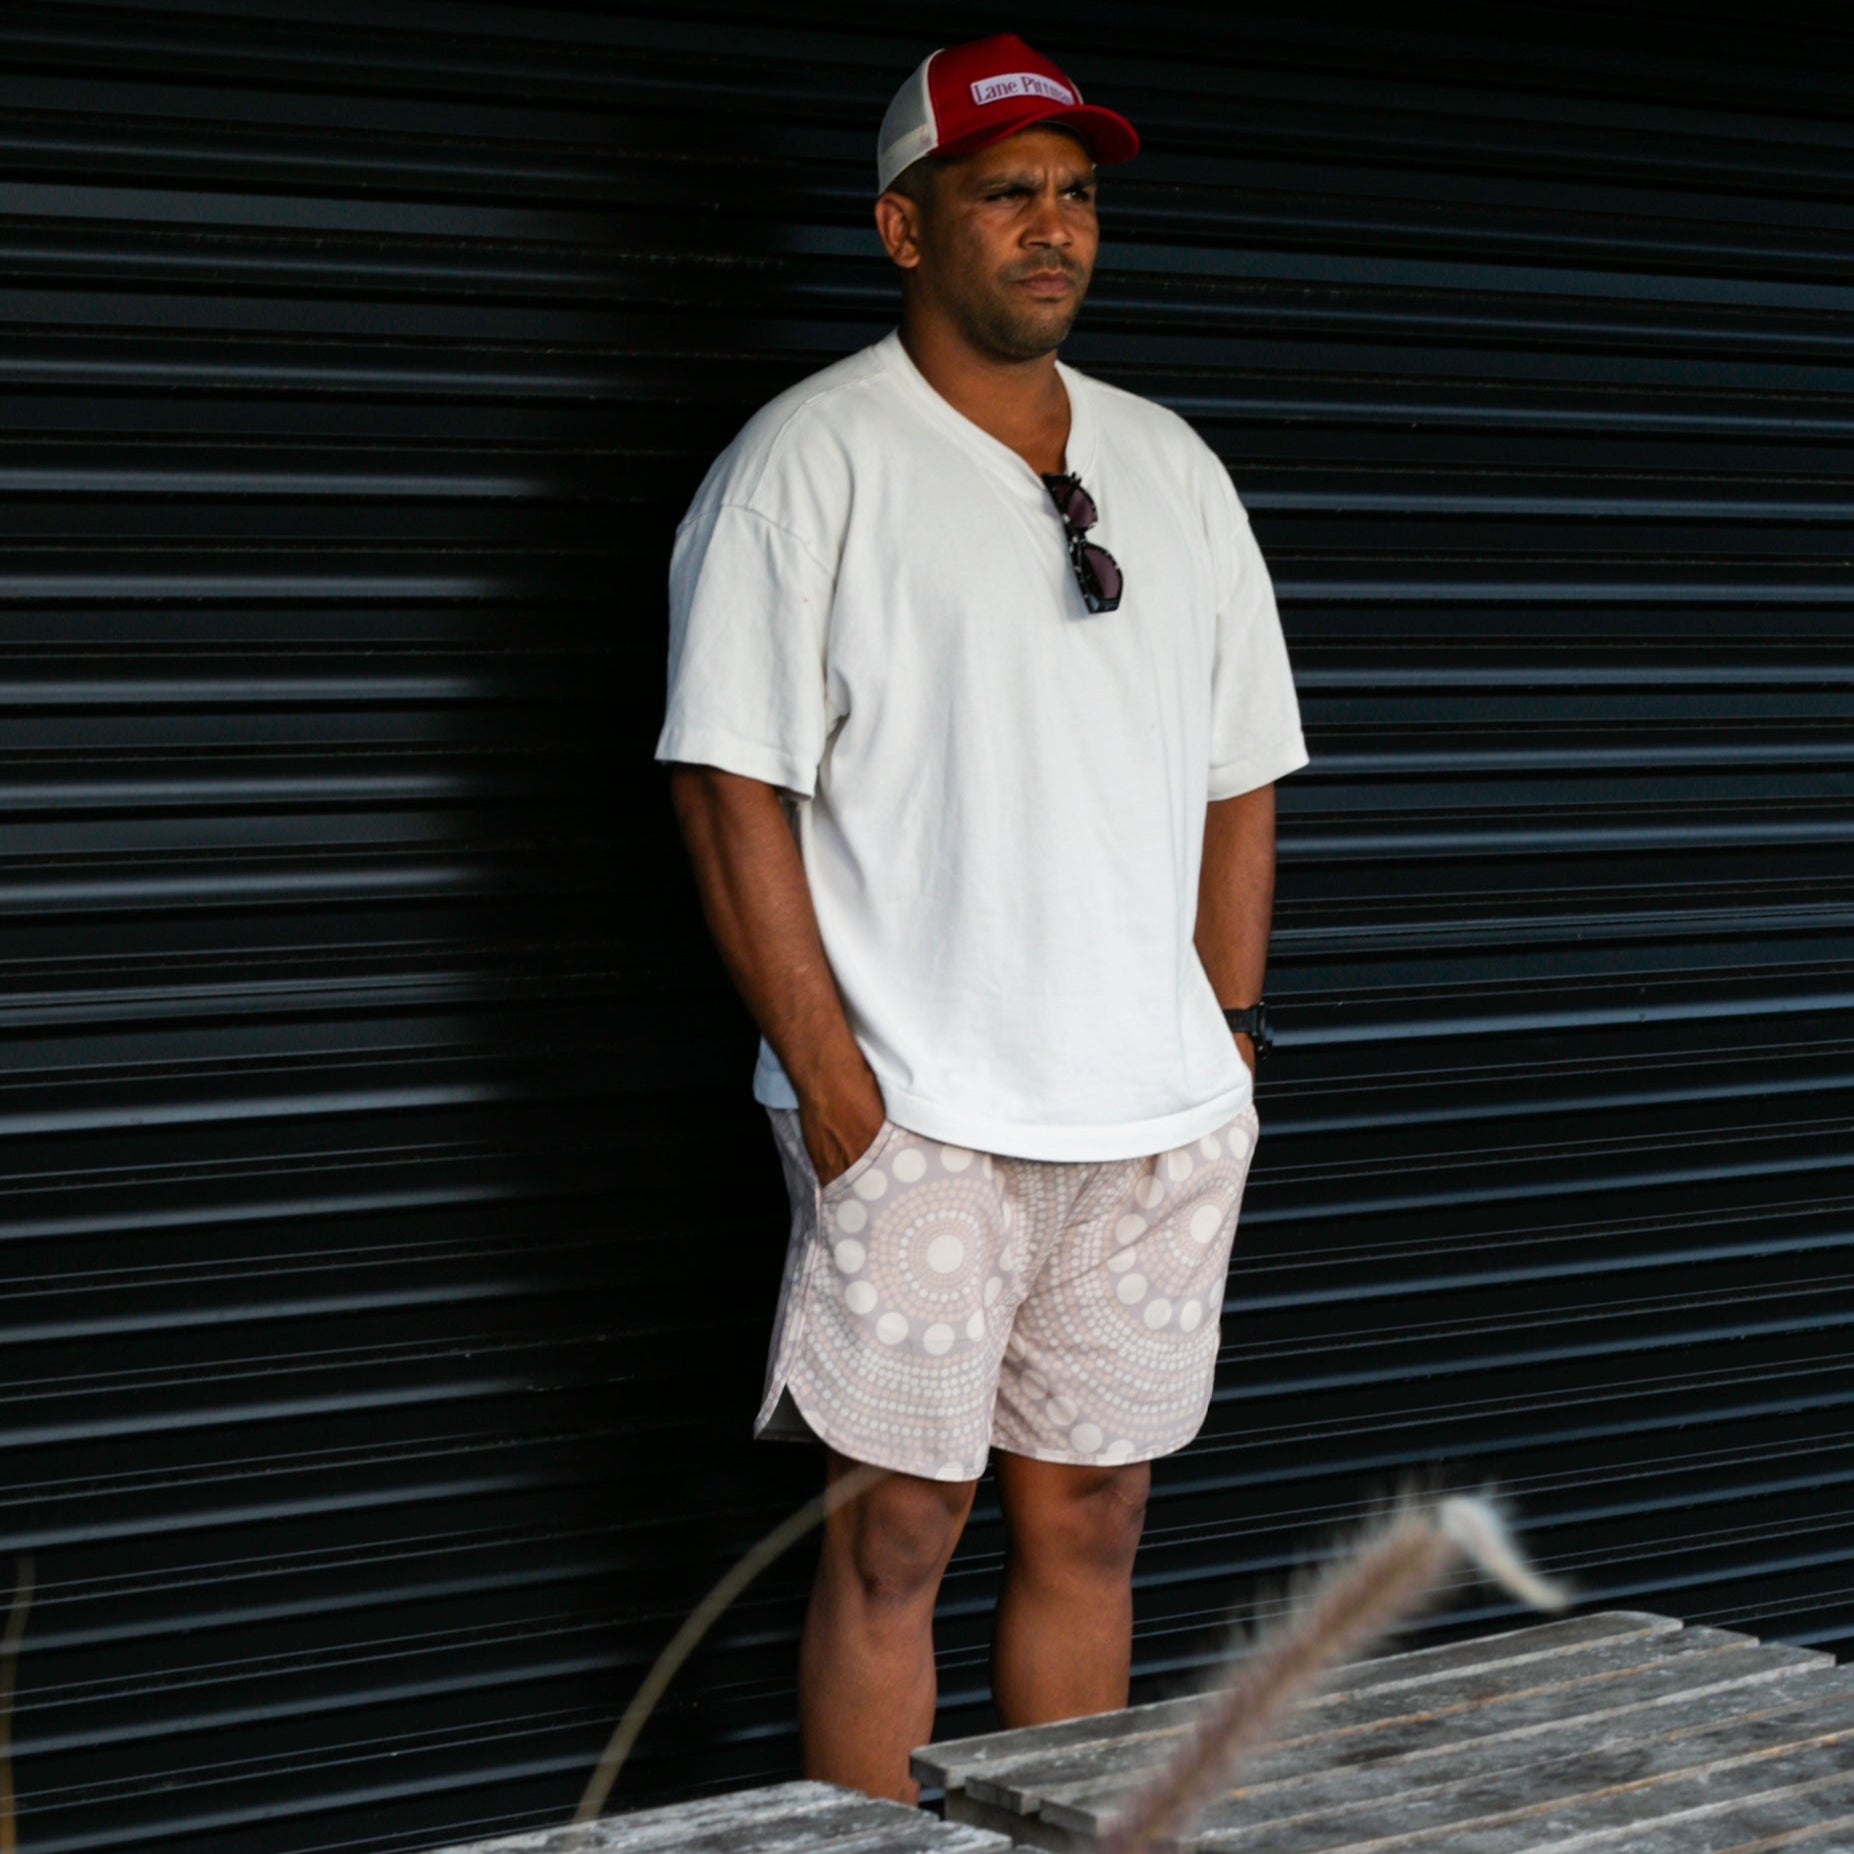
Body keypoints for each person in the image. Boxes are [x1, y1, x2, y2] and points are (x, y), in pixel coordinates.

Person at [654, 32, 1308, 1805]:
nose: (1051, 227)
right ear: (901, 226)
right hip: (922, 1115)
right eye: (1004, 191)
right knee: (894, 1543)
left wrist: (1225, 1040)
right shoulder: (808, 462)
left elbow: (1241, 777)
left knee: (1092, 1518)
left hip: (1153, 1113)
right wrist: (839, 1092)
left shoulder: (1171, 467)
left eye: (1076, 194)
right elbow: (728, 787)